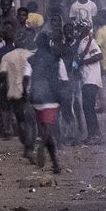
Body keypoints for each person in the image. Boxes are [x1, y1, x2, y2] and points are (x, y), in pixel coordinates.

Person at [26, 32, 65, 173]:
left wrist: (28, 93)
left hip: (37, 98)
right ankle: (46, 148)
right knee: (48, 129)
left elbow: (26, 78)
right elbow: (63, 79)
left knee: (44, 128)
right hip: (52, 98)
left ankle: (55, 164)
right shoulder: (56, 59)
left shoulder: (32, 59)